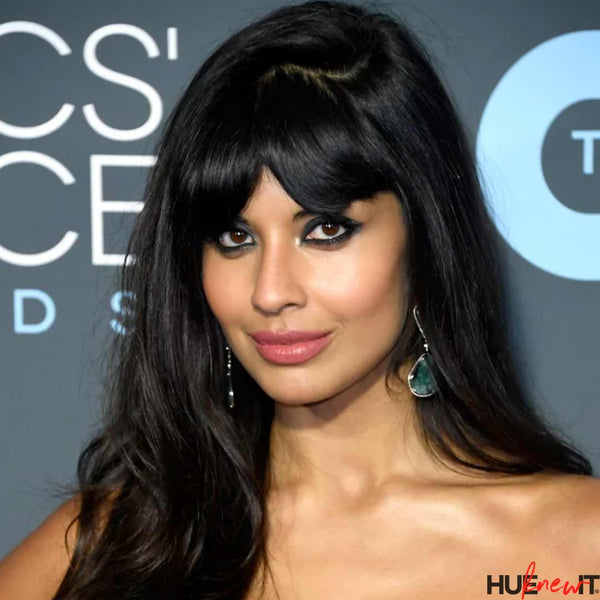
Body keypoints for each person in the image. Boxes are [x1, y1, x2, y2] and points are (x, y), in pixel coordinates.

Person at [1, 1, 599, 598]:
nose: (270, 292)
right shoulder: (111, 547)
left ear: (425, 239)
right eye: (235, 238)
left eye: (326, 230)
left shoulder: (575, 549)